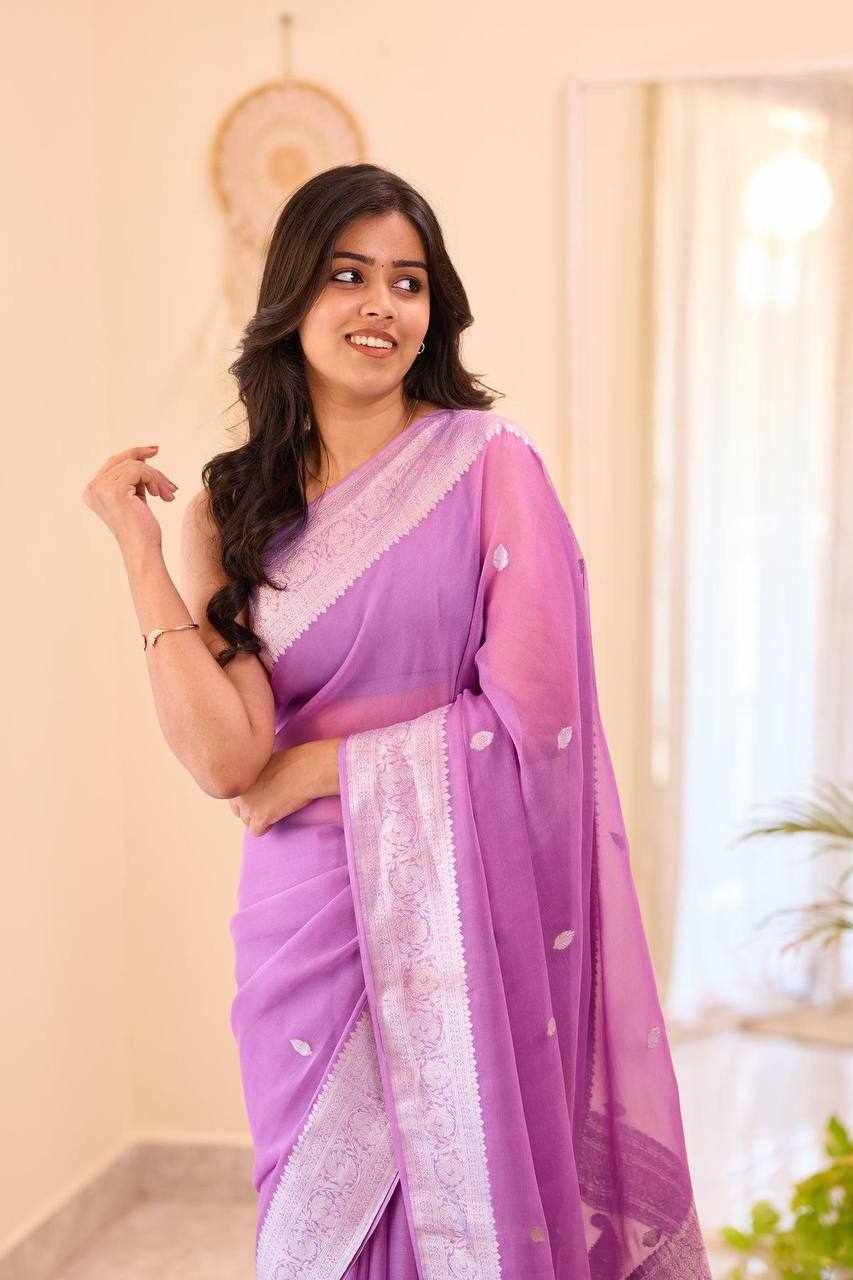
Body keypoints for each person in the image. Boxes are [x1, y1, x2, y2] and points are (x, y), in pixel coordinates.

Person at [83, 163, 712, 1279]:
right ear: (293, 295)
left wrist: (325, 765)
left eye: (408, 281)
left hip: (462, 903)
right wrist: (142, 558)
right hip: (306, 919)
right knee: (323, 1232)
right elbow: (229, 757)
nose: (381, 304)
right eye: (349, 275)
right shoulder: (234, 505)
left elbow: (539, 718)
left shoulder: (489, 465)